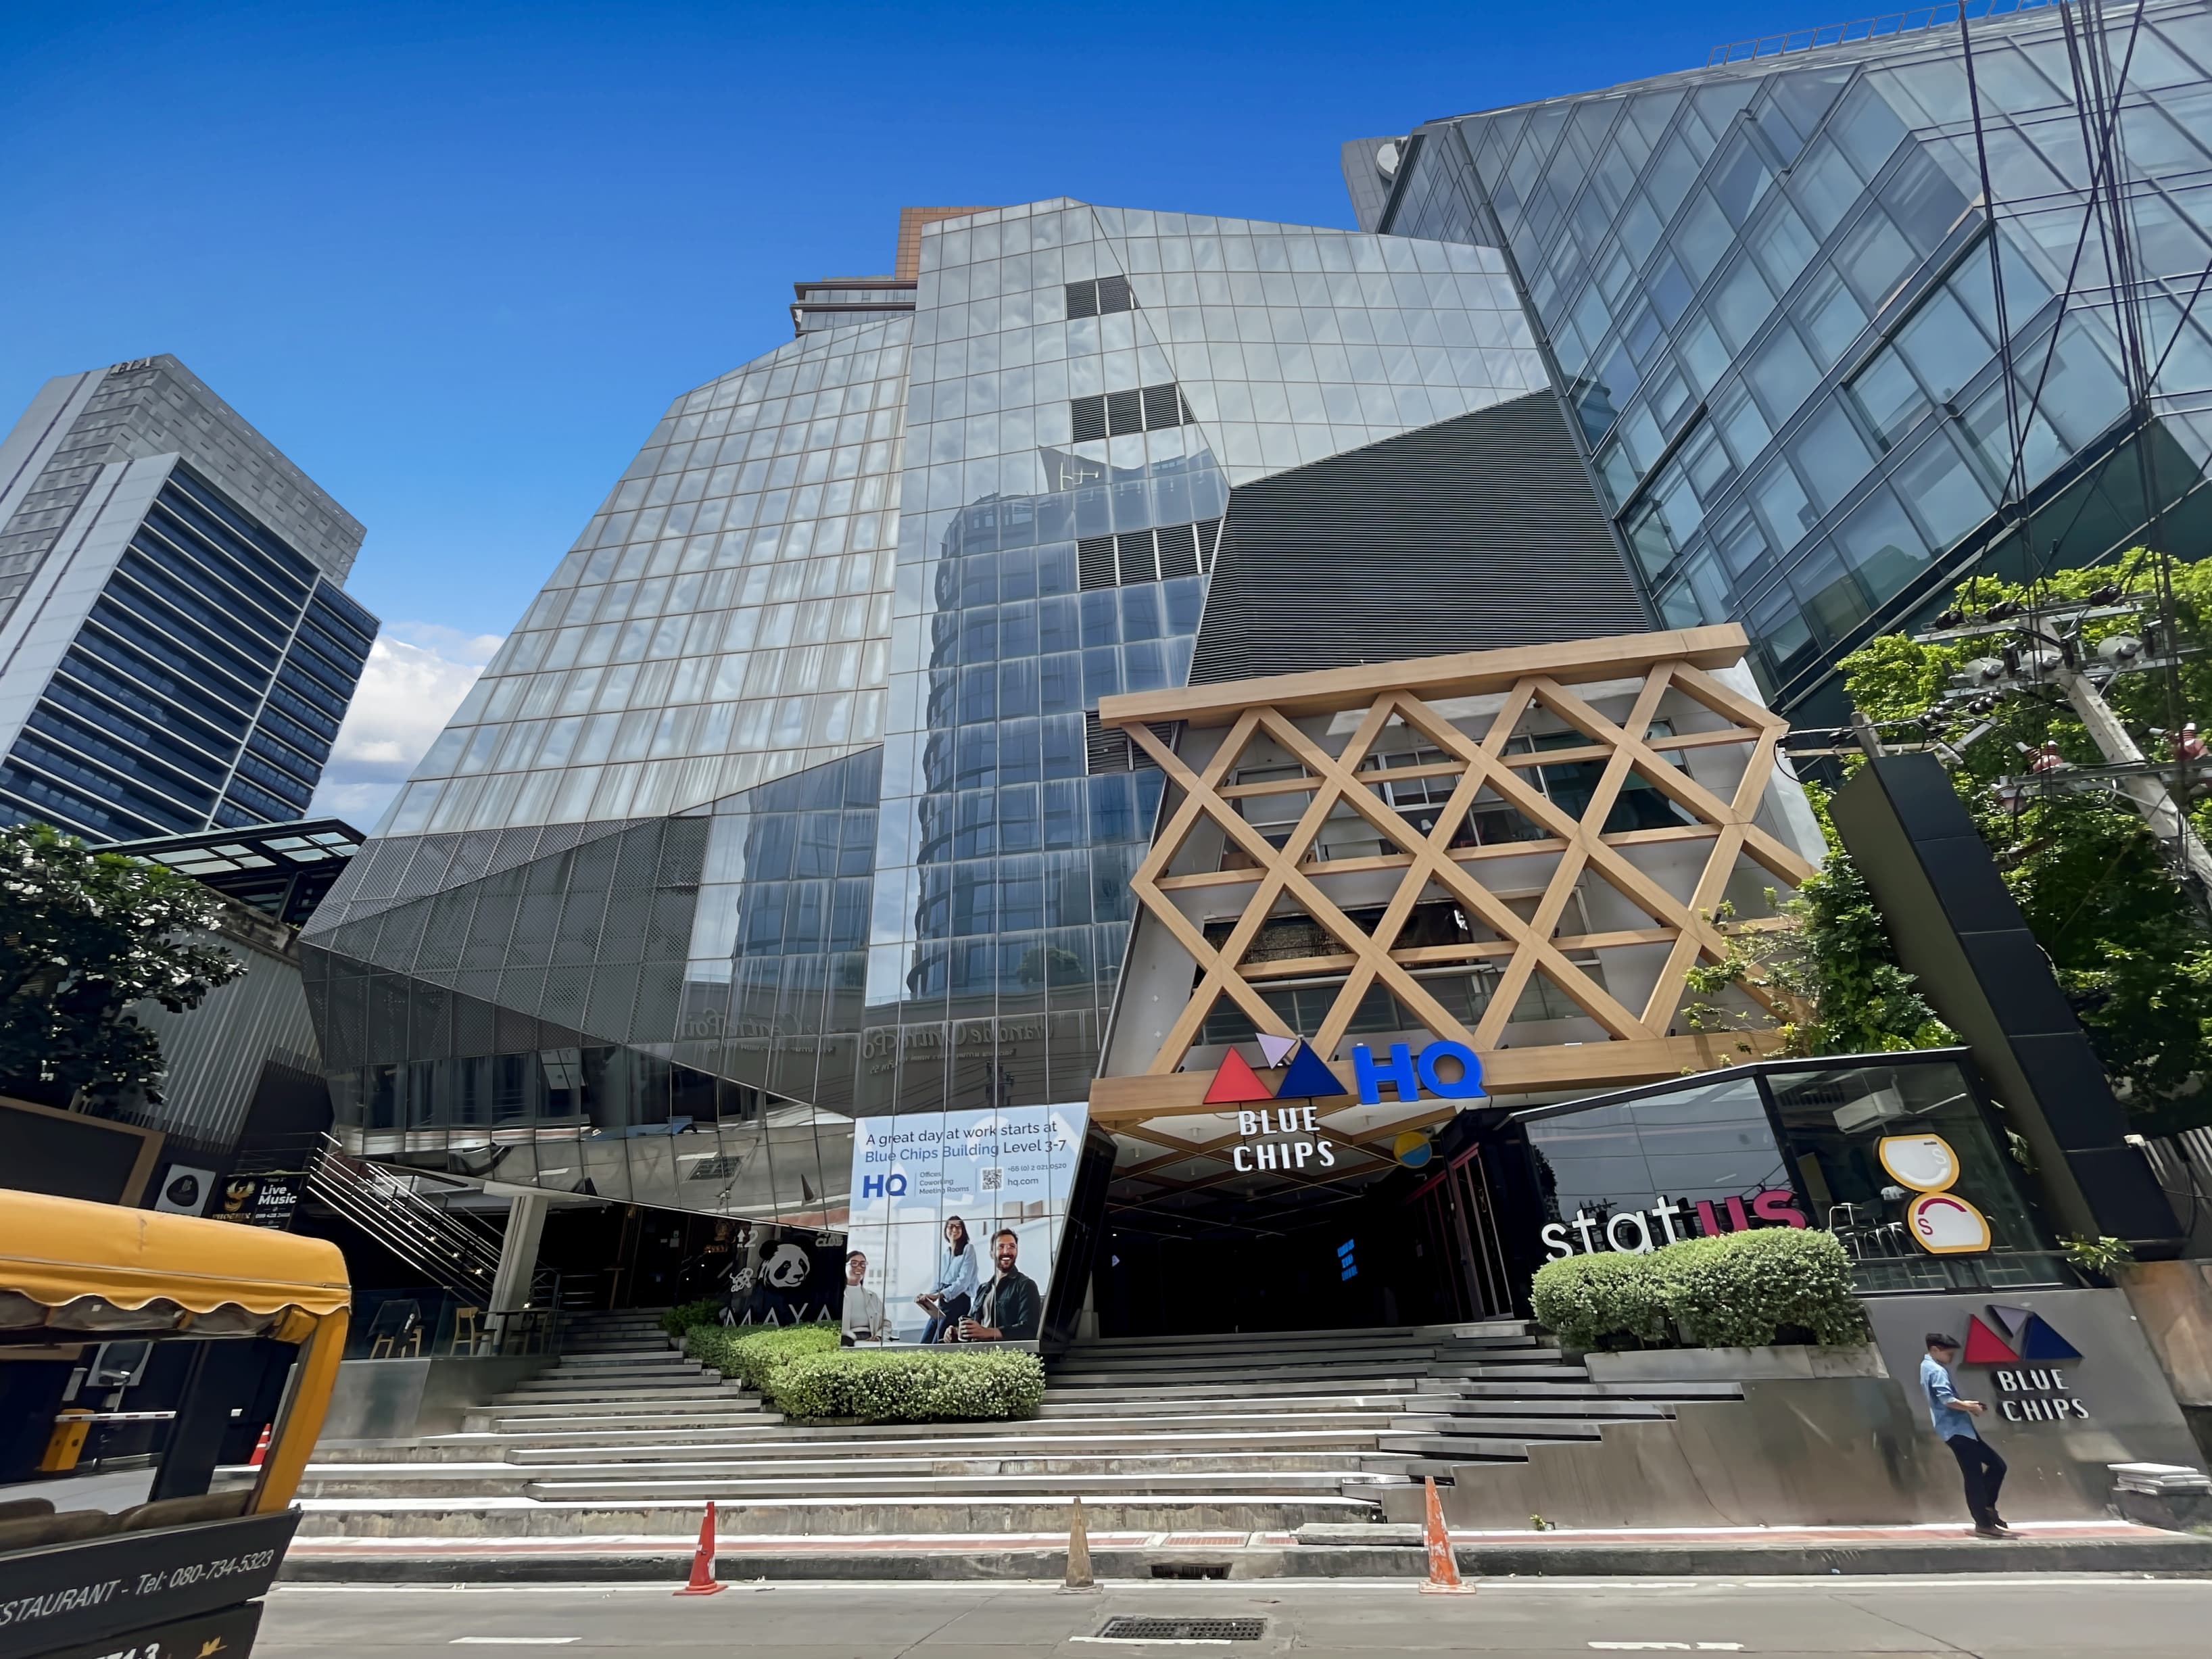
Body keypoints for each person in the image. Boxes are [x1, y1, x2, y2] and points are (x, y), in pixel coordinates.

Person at [1921, 1332, 2011, 1538]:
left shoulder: (1928, 1367)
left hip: (1960, 1430)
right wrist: (1970, 1407)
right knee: (1975, 1477)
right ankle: (1983, 1522)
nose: (1952, 1358)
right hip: (1956, 1431)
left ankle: (1987, 1509)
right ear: (1935, 1350)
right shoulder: (1936, 1371)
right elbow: (1947, 1400)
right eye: (1949, 1354)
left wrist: (1970, 1406)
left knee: (1997, 1465)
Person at [959, 1228, 1041, 1343]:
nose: (1007, 1251)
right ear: (992, 1254)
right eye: (1001, 1247)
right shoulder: (983, 1289)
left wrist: (988, 1332)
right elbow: (972, 1326)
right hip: (978, 1353)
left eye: (1012, 1247)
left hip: (1005, 1355)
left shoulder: (1026, 1286)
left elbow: (1029, 1330)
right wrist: (958, 1332)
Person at [915, 1216, 978, 1345]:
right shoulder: (946, 1254)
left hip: (958, 1303)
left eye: (958, 1226)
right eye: (951, 1226)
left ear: (963, 1230)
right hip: (943, 1303)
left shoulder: (968, 1249)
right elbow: (939, 1282)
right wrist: (928, 1296)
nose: (954, 1230)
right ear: (946, 1230)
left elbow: (963, 1283)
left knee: (937, 1345)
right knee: (925, 1342)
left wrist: (938, 1295)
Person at [839, 1251, 886, 1345]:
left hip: (871, 1340)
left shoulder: (873, 1297)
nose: (859, 1267)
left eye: (863, 1264)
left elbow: (885, 1323)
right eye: (854, 1263)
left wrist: (878, 1336)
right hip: (848, 1340)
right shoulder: (836, 1295)